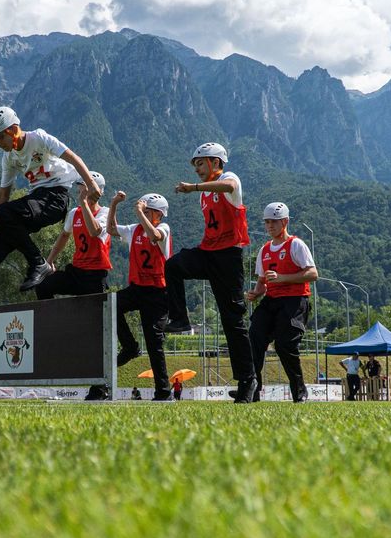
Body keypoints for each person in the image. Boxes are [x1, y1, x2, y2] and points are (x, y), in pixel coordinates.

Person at [0, 106, 102, 323]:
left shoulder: (39, 138)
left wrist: (91, 185)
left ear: (13, 130)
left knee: (4, 213)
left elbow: (72, 157)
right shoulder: (9, 158)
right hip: (36, 202)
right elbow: (3, 194)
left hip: (56, 199)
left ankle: (38, 263)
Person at [165, 142, 257, 403]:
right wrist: (197, 189)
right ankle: (180, 319)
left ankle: (248, 381)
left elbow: (228, 188)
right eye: (195, 165)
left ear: (216, 162)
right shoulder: (206, 193)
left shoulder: (229, 178)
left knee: (233, 322)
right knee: (174, 265)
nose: (196, 169)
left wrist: (193, 188)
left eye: (200, 163)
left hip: (229, 258)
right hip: (208, 253)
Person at [36, 174, 112, 400]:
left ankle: (100, 387)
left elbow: (94, 231)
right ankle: (54, 326)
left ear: (97, 191)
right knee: (44, 285)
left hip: (96, 275)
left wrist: (84, 205)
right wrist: (49, 261)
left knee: (94, 333)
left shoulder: (106, 213)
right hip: (76, 271)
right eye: (80, 187)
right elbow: (63, 237)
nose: (81, 191)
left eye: (85, 188)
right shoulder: (73, 213)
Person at [246, 202, 318, 404]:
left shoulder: (296, 244)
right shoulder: (264, 250)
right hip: (271, 300)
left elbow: (313, 274)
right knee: (255, 336)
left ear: (285, 222)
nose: (270, 226)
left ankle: (299, 393)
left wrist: (282, 277)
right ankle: (252, 389)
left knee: (285, 345)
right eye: (267, 222)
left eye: (274, 222)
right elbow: (262, 282)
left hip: (295, 301)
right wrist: (255, 294)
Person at [109, 191, 174, 401]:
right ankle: (130, 347)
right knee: (111, 305)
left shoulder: (164, 228)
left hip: (158, 292)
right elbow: (110, 229)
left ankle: (164, 392)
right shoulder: (133, 230)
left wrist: (139, 214)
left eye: (149, 211)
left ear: (159, 214)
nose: (144, 213)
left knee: (154, 341)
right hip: (137, 288)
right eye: (144, 210)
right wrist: (113, 205)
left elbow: (154, 236)